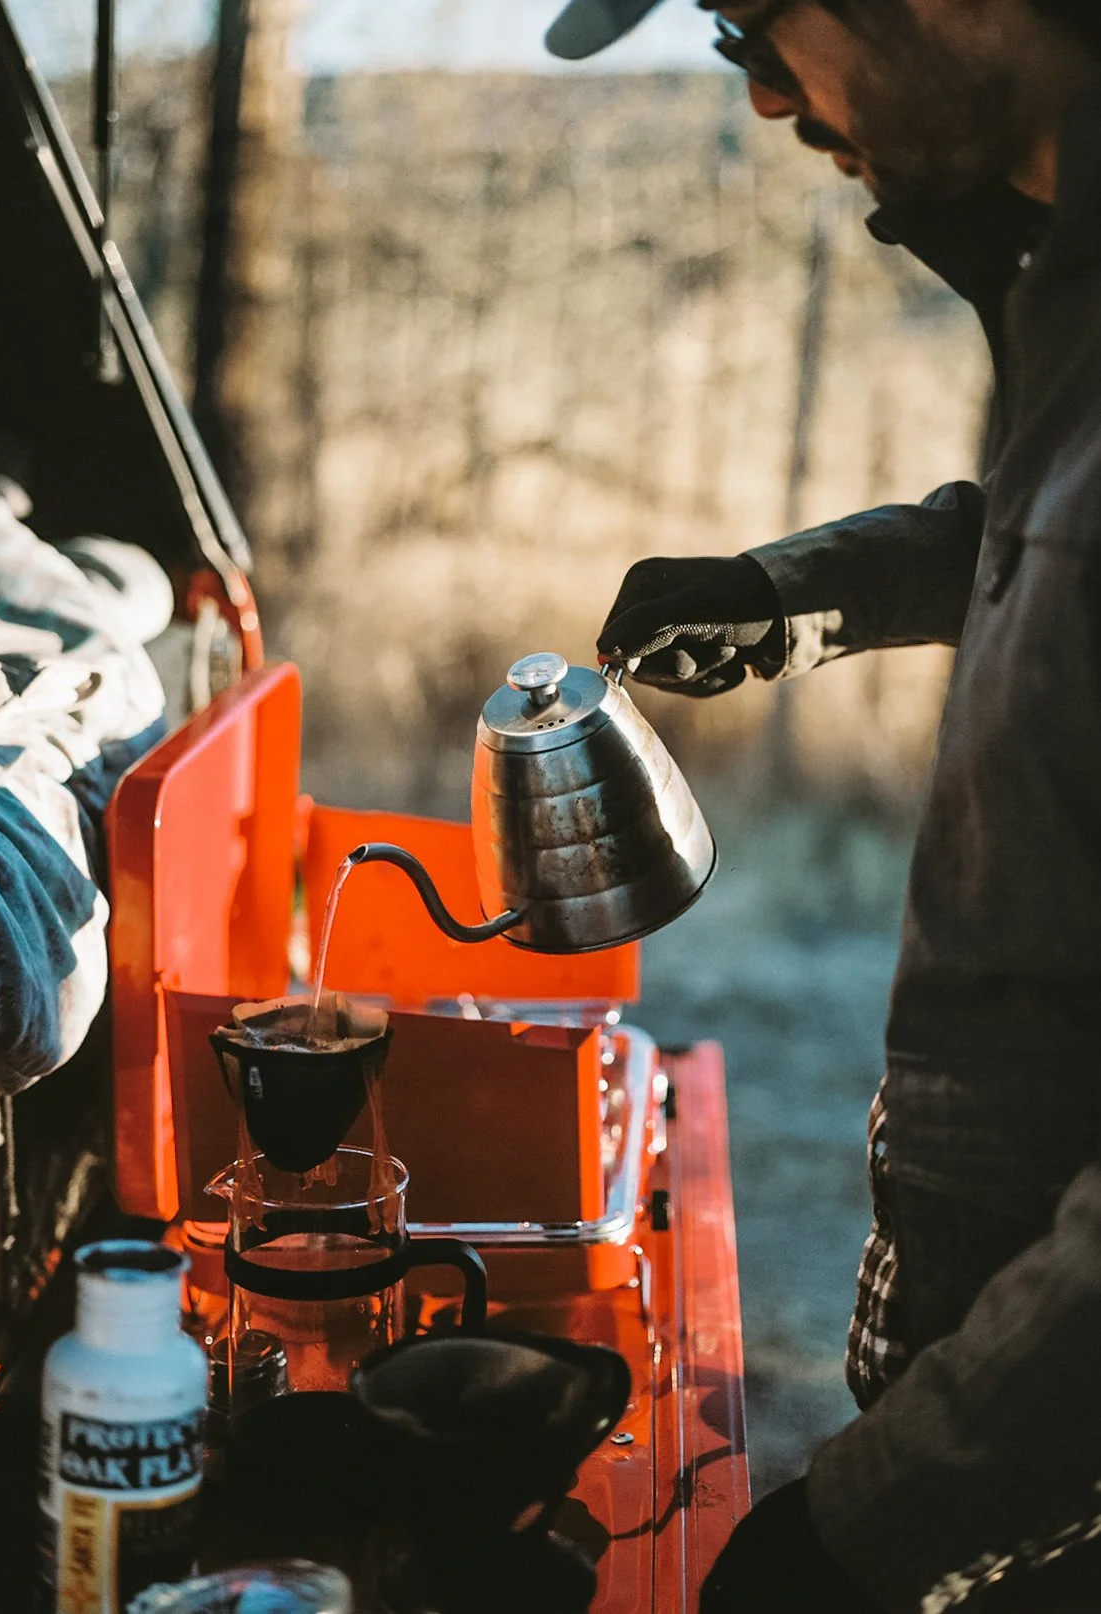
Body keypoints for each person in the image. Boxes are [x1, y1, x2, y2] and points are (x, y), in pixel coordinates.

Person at [546, 2, 1101, 1610]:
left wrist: (862, 1527)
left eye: (748, 19)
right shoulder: (1060, 269)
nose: (767, 94)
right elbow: (1051, 521)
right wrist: (803, 589)